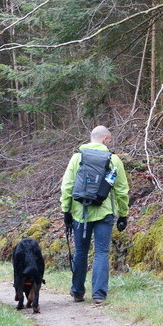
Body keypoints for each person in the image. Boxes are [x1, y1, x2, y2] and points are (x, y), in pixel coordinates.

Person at [60, 126, 130, 305]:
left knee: (81, 251)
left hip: (79, 213)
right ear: (105, 138)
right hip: (104, 213)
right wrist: (123, 214)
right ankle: (99, 294)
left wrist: (66, 210)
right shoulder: (113, 160)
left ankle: (77, 292)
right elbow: (121, 190)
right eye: (110, 139)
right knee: (101, 252)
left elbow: (67, 186)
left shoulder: (77, 157)